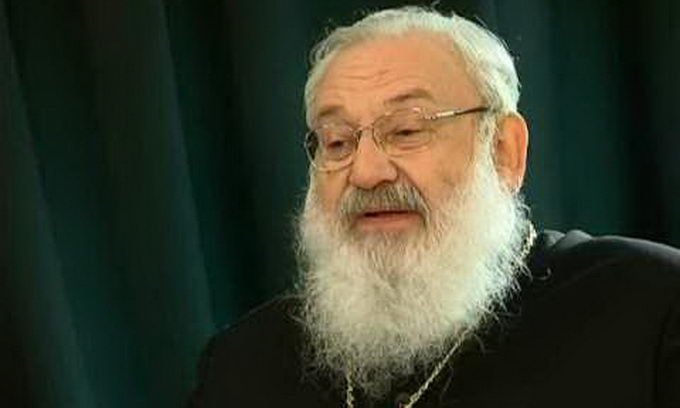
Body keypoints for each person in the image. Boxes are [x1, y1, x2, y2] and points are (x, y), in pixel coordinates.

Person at [188, 7, 680, 408]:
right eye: (337, 142)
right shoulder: (241, 365)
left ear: (504, 151)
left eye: (406, 130)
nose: (366, 172)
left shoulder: (654, 307)